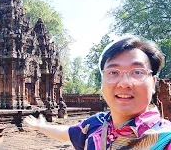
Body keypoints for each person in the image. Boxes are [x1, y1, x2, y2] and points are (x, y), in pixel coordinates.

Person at [24, 36, 171, 150]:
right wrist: (42, 127)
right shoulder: (96, 123)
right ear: (102, 83)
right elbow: (67, 132)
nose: (124, 83)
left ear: (153, 83)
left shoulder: (165, 138)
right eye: (113, 72)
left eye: (137, 72)